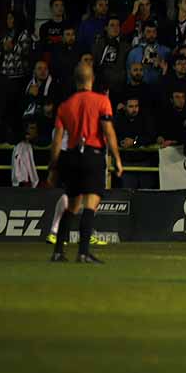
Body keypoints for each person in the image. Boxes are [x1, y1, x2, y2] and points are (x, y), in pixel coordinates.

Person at [46, 63, 123, 264]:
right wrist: (116, 158)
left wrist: (53, 166)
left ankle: (57, 252)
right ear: (92, 79)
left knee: (71, 206)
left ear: (75, 80)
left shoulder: (65, 105)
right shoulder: (102, 101)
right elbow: (108, 131)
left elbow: (57, 140)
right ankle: (83, 252)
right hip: (92, 154)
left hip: (70, 156)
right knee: (91, 204)